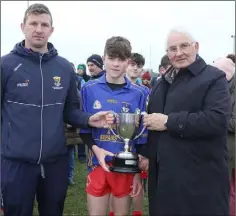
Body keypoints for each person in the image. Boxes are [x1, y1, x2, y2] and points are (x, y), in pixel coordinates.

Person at [1, 3, 113, 216]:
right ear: (23, 26)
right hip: (16, 162)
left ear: (51, 30)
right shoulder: (6, 65)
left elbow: (70, 110)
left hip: (55, 163)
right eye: (33, 23)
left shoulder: (63, 67)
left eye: (44, 24)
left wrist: (89, 119)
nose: (38, 29)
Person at [141, 28, 232, 215]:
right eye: (172, 49)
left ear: (196, 47)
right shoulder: (160, 82)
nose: (179, 53)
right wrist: (145, 153)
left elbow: (217, 120)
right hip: (164, 180)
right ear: (167, 53)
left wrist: (169, 122)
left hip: (200, 181)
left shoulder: (214, 78)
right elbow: (153, 122)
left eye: (184, 46)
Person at [80, 36, 148, 216]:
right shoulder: (88, 88)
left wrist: (137, 171)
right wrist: (95, 149)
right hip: (97, 164)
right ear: (104, 59)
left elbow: (141, 135)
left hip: (126, 167)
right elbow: (83, 128)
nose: (116, 64)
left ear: (128, 62)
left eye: (122, 59)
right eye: (112, 58)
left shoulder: (140, 93)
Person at [213, 56, 235, 216]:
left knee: (230, 192)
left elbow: (234, 123)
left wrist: (214, 119)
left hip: (232, 152)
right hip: (224, 150)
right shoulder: (225, 90)